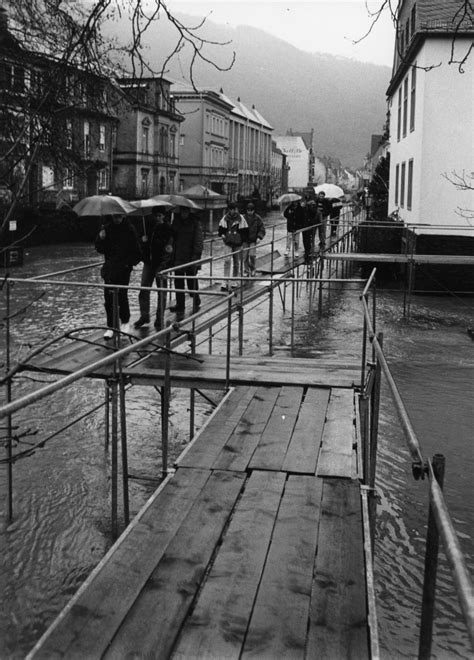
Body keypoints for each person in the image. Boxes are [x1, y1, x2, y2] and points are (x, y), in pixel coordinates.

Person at [95, 214, 141, 339]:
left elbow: (137, 250)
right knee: (108, 299)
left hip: (124, 268)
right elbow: (99, 248)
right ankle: (111, 326)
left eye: (119, 217)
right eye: (115, 217)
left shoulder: (129, 229)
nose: (117, 219)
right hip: (110, 268)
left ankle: (125, 322)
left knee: (122, 295)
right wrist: (101, 238)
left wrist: (129, 264)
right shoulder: (106, 229)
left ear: (123, 217)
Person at [134, 207, 174, 330]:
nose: (157, 218)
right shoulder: (149, 227)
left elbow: (169, 249)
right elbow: (142, 246)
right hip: (148, 263)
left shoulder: (168, 230)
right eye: (156, 216)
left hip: (161, 265)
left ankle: (159, 317)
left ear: (163, 216)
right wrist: (143, 241)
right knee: (144, 289)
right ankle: (144, 315)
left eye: (160, 216)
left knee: (162, 292)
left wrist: (163, 266)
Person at [170, 206, 203, 316]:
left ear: (189, 211)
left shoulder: (195, 223)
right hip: (179, 257)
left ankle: (196, 298)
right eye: (182, 211)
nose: (184, 213)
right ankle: (180, 305)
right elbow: (172, 238)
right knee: (178, 282)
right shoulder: (176, 222)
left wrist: (196, 257)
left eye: (186, 211)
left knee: (191, 281)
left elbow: (198, 241)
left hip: (190, 257)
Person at [218, 202, 249, 290]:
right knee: (227, 261)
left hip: (237, 243)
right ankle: (225, 280)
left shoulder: (241, 219)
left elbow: (245, 231)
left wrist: (241, 240)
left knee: (236, 262)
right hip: (228, 242)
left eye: (234, 209)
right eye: (231, 209)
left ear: (236, 209)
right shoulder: (225, 218)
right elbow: (220, 229)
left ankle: (235, 280)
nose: (232, 211)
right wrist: (222, 235)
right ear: (229, 210)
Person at [242, 202, 265, 276]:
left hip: (253, 240)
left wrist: (259, 237)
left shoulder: (257, 218)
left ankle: (252, 268)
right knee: (245, 256)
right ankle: (246, 270)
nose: (249, 212)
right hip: (245, 240)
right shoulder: (242, 218)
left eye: (251, 210)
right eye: (248, 210)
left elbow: (262, 229)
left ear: (253, 210)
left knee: (252, 255)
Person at [302, 196, 318, 264]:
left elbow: (313, 213)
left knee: (309, 239)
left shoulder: (313, 207)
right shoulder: (303, 207)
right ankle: (306, 252)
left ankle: (308, 252)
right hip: (304, 226)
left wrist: (309, 206)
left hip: (310, 225)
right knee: (305, 240)